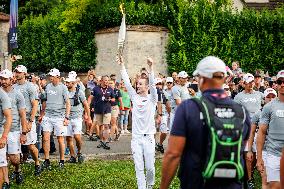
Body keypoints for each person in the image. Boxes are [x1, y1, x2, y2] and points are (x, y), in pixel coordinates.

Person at [160, 56, 251, 189]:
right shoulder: (241, 111)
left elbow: (173, 154)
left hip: (198, 182)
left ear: (202, 78)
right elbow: (240, 148)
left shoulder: (188, 108)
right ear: (224, 78)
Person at [117, 56, 158, 189]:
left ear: (146, 86)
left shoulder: (152, 99)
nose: (137, 85)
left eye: (140, 84)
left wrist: (151, 68)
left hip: (149, 139)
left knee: (150, 168)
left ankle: (150, 186)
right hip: (136, 139)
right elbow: (127, 83)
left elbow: (153, 84)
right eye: (137, 84)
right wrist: (122, 65)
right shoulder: (134, 97)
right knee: (139, 168)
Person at [234, 73, 263, 188]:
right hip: (245, 128)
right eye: (248, 82)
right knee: (248, 154)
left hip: (259, 128)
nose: (251, 84)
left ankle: (251, 173)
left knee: (255, 154)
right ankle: (249, 179)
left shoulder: (259, 94)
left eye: (252, 82)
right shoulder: (239, 97)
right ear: (244, 83)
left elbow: (265, 106)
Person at [0, 69, 29, 185]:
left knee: (14, 159)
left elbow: (22, 114)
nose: (3, 81)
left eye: (5, 79)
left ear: (11, 80)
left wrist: (24, 133)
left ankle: (17, 170)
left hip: (14, 129)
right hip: (2, 130)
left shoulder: (18, 94)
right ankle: (6, 181)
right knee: (3, 158)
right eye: (1, 79)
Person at [257, 70, 284, 189]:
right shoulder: (268, 107)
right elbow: (261, 133)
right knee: (274, 187)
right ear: (276, 84)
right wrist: (259, 158)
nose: (283, 84)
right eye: (280, 81)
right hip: (273, 155)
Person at [39, 68, 71, 169]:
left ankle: (61, 160)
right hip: (48, 116)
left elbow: (68, 103)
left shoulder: (63, 88)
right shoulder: (48, 86)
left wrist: (66, 117)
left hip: (59, 117)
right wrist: (42, 114)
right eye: (50, 76)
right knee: (46, 138)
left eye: (52, 76)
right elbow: (44, 102)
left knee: (60, 139)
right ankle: (47, 160)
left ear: (58, 77)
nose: (50, 78)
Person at [13, 65, 41, 175]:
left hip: (28, 119)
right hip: (16, 120)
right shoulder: (13, 86)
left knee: (30, 146)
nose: (17, 74)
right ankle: (17, 170)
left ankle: (37, 163)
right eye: (16, 72)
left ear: (24, 73)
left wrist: (30, 121)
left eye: (19, 72)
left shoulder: (30, 87)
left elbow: (35, 105)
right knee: (15, 146)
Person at [249, 88, 277, 189]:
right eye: (268, 97)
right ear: (264, 99)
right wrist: (250, 151)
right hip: (264, 150)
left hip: (278, 150)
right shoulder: (258, 114)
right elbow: (252, 133)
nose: (270, 99)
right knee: (265, 178)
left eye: (273, 96)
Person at [65, 75, 92, 163]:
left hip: (77, 117)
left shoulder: (79, 92)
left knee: (77, 137)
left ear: (73, 83)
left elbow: (86, 105)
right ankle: (72, 156)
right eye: (66, 82)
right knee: (69, 138)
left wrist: (88, 117)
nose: (66, 84)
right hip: (67, 118)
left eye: (68, 82)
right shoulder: (65, 92)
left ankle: (79, 152)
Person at [88, 75, 115, 150]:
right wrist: (88, 106)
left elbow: (113, 99)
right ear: (101, 81)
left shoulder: (110, 89)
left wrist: (109, 99)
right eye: (105, 80)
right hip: (98, 110)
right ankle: (101, 141)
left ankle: (105, 141)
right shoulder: (95, 88)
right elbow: (90, 98)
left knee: (106, 125)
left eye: (107, 80)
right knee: (100, 126)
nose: (106, 82)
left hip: (107, 110)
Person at [0, 82, 12, 188]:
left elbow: (8, 117)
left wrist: (4, 136)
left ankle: (6, 181)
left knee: (0, 163)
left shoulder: (2, 95)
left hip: (0, 132)